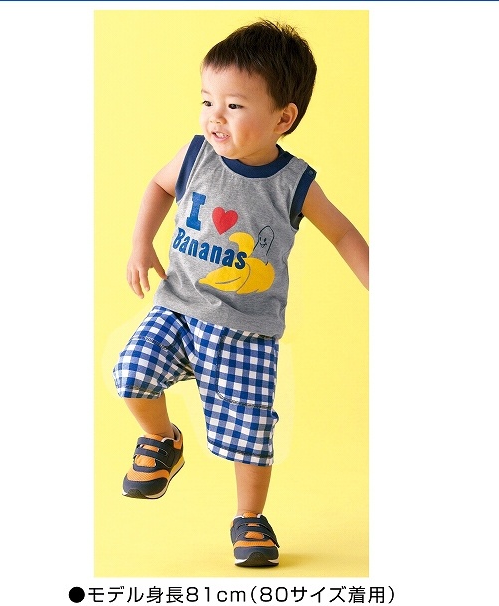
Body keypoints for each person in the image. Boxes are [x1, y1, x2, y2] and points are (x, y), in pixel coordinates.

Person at [113, 19, 369, 568]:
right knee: (131, 373)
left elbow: (344, 233)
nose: (214, 117)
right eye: (207, 101)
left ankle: (249, 518)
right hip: (179, 307)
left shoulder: (294, 182)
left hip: (246, 330)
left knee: (249, 433)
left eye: (233, 106)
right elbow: (158, 186)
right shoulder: (196, 155)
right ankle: (162, 440)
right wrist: (140, 243)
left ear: (283, 118)